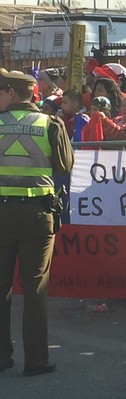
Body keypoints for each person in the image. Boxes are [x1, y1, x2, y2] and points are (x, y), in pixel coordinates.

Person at [0, 69, 74, 377]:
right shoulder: (50, 124)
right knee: (35, 287)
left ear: (13, 94)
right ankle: (36, 360)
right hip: (37, 215)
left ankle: (2, 356)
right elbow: (65, 165)